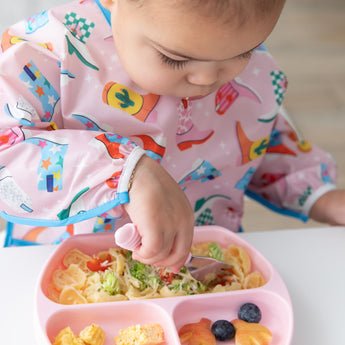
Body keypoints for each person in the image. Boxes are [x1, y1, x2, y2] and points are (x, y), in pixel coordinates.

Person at [0, 0, 344, 270]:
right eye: (175, 59)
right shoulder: (45, 52)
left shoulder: (229, 56)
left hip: (195, 268)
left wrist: (318, 192)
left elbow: (255, 133)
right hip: (57, 268)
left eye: (243, 53)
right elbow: (8, 151)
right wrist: (125, 172)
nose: (207, 79)